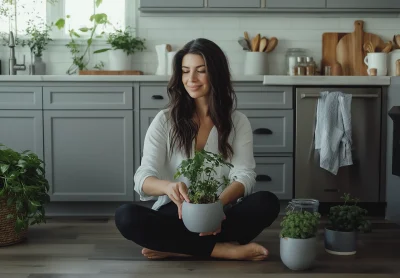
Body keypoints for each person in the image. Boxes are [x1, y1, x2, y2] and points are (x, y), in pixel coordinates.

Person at [114, 38, 280, 261]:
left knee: (267, 202)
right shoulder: (165, 120)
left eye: (200, 71)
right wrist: (168, 187)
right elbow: (142, 178)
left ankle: (175, 247)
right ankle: (223, 250)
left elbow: (245, 176)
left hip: (221, 213)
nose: (191, 79)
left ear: (216, 74)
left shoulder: (238, 122)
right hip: (176, 213)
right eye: (185, 71)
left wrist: (215, 208)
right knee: (126, 216)